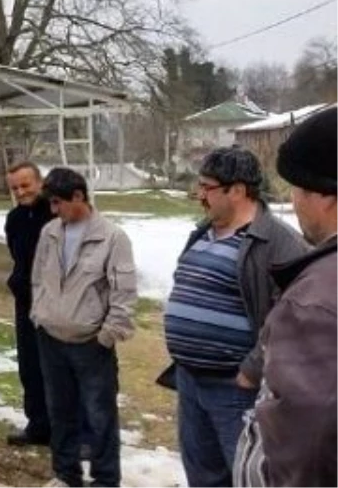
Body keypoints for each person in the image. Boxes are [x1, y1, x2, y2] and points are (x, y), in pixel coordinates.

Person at [160, 147, 307, 488]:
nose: (199, 195)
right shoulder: (202, 232)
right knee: (203, 476)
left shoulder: (280, 244)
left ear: (237, 191)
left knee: (247, 476)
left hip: (235, 388)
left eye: (207, 187)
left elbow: (290, 319)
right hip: (191, 381)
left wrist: (252, 368)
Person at [234, 108, 338, 487]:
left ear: (325, 195)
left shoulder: (316, 301)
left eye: (296, 188)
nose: (293, 201)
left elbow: (298, 452)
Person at [31, 167, 136, 488]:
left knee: (99, 414)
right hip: (51, 339)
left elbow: (125, 292)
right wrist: (40, 314)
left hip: (91, 343)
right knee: (59, 411)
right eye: (51, 203)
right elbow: (38, 278)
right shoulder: (50, 232)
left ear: (79, 196)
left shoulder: (112, 237)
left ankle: (105, 480)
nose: (54, 210)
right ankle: (66, 474)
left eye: (59, 202)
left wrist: (107, 336)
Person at [4, 161, 56, 447]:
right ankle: (38, 424)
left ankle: (68, 427)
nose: (21, 192)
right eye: (15, 188)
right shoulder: (14, 219)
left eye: (26, 185)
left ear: (39, 182)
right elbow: (17, 254)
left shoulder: (54, 215)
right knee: (30, 366)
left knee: (57, 368)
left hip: (54, 303)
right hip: (25, 302)